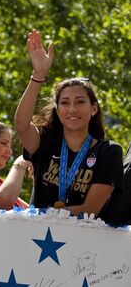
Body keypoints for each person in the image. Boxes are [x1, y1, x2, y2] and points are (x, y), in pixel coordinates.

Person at [14, 29, 123, 220]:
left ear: (94, 109)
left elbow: (89, 210)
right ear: (57, 109)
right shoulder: (45, 141)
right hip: (36, 239)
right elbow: (22, 125)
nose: (72, 109)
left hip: (83, 244)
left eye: (80, 102)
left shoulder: (108, 152)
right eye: (65, 103)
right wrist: (38, 75)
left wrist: (40, 214)